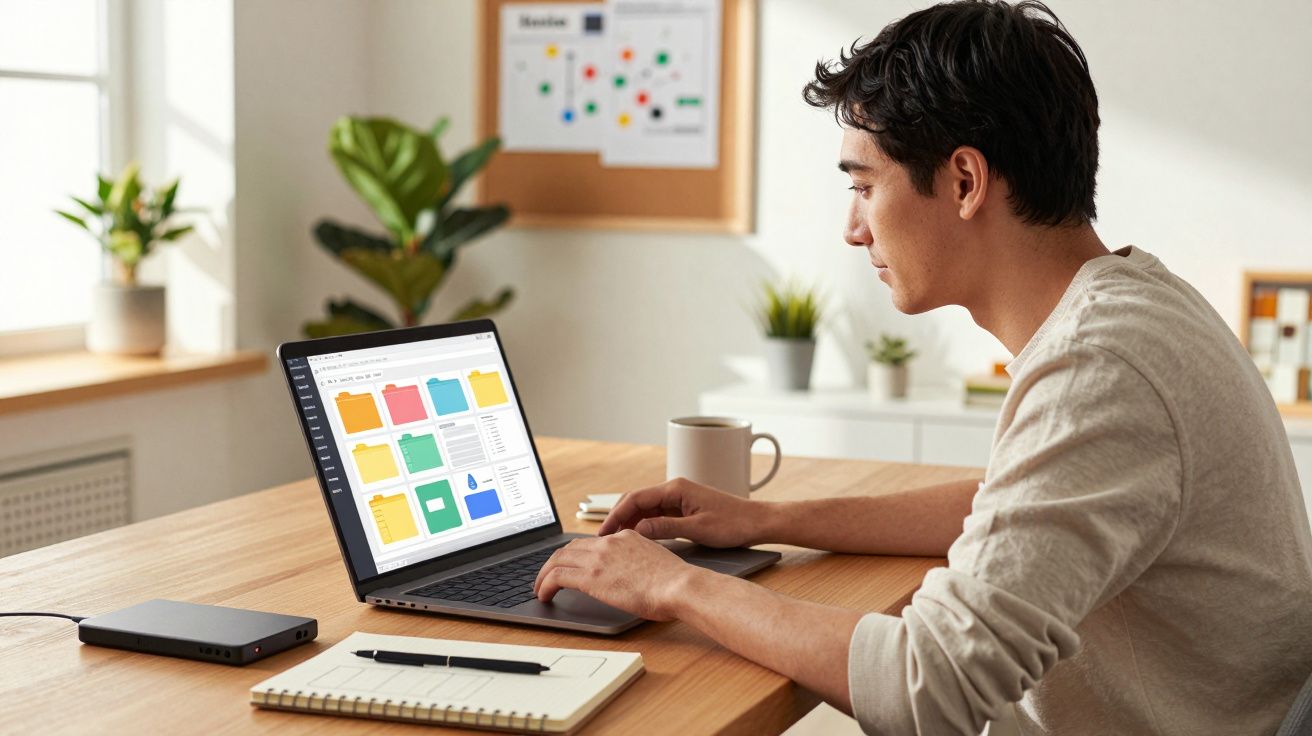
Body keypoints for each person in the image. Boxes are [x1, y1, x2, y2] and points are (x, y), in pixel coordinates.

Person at [532, 1, 1312, 732]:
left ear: (965, 182)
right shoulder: (1137, 303)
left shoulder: (1099, 366)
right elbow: (1014, 508)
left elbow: (928, 686)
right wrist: (770, 521)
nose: (852, 228)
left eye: (865, 187)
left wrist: (671, 583)